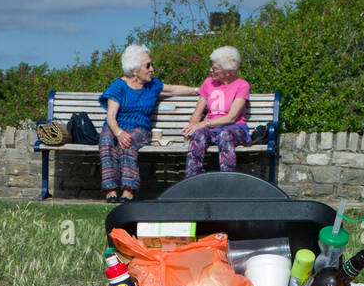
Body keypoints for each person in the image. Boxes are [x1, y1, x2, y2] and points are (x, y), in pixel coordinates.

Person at [99, 46, 198, 202]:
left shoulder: (152, 85)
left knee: (127, 143)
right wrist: (118, 132)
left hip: (140, 128)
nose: (152, 69)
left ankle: (128, 190)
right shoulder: (119, 86)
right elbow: (111, 117)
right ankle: (110, 189)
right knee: (106, 141)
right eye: (148, 65)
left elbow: (172, 90)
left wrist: (198, 90)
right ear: (134, 70)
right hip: (116, 126)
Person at [182, 48, 251, 178]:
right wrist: (191, 128)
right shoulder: (208, 83)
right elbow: (198, 113)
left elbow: (231, 118)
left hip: (235, 128)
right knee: (198, 135)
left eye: (215, 68)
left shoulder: (242, 85)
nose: (211, 70)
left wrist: (205, 123)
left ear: (229, 71)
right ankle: (190, 180)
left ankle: (227, 181)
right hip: (212, 129)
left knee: (225, 135)